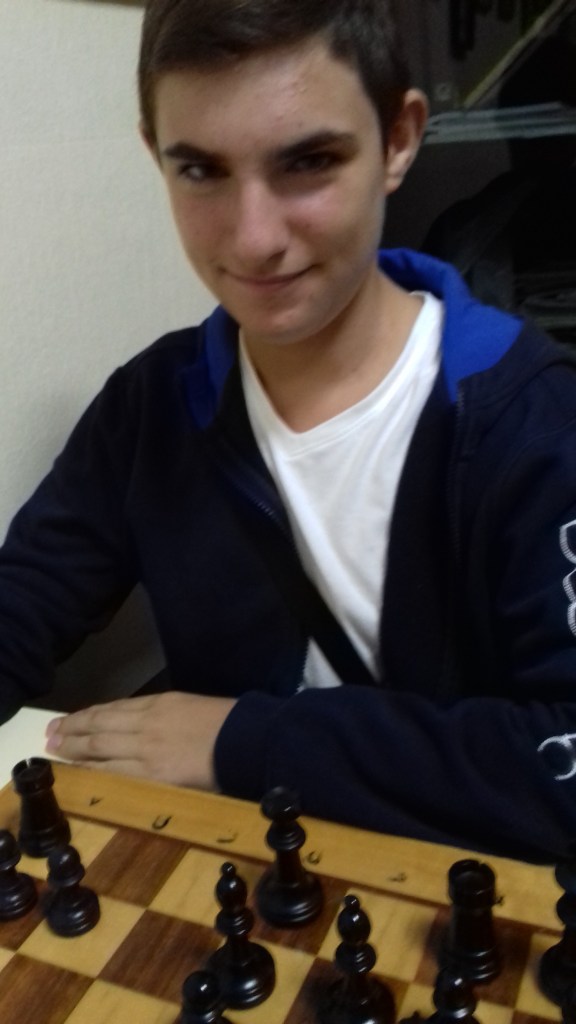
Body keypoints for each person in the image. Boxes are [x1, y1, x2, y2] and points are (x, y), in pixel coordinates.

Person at [1, 0, 576, 863]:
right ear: (156, 157)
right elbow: (24, 601)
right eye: (201, 171)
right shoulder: (153, 404)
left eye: (308, 162)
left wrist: (245, 741)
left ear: (399, 140)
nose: (254, 238)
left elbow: (562, 761)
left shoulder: (529, 421)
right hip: (232, 880)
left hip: (452, 894)